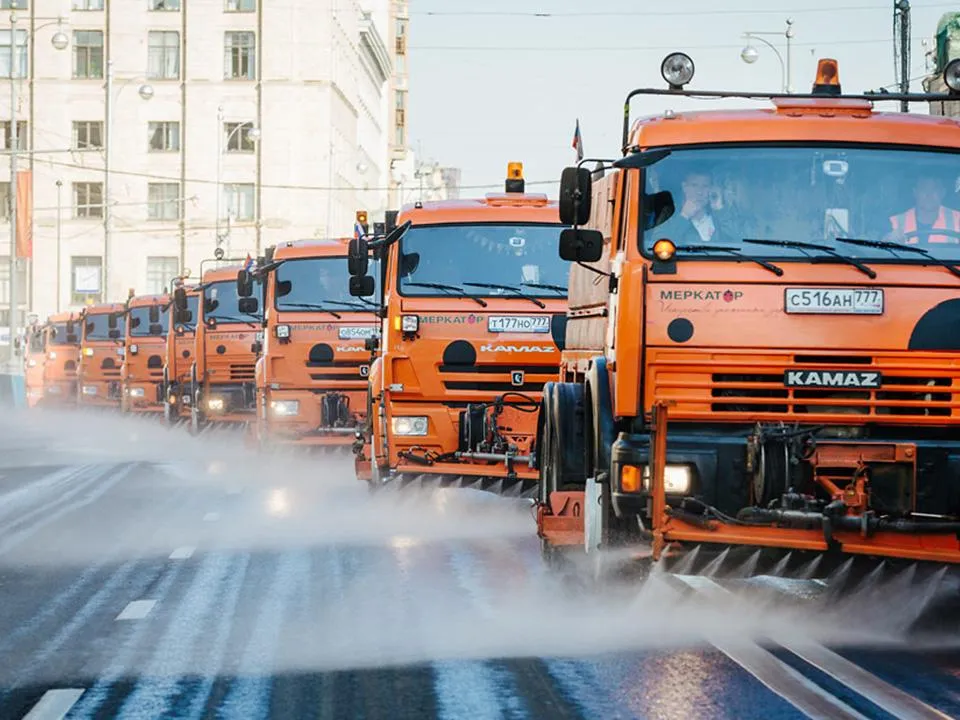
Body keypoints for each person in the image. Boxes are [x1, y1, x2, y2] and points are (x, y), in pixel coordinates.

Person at [651, 169, 731, 245]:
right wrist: (684, 216)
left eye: (705, 186)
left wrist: (720, 210)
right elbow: (658, 244)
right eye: (694, 185)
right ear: (684, 187)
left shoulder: (720, 215)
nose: (699, 192)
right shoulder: (668, 215)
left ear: (711, 189)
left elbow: (738, 242)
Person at [887, 175, 960, 245]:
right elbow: (882, 249)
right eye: (923, 189)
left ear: (943, 193)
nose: (929, 194)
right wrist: (888, 241)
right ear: (915, 192)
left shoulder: (958, 219)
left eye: (934, 189)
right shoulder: (895, 222)